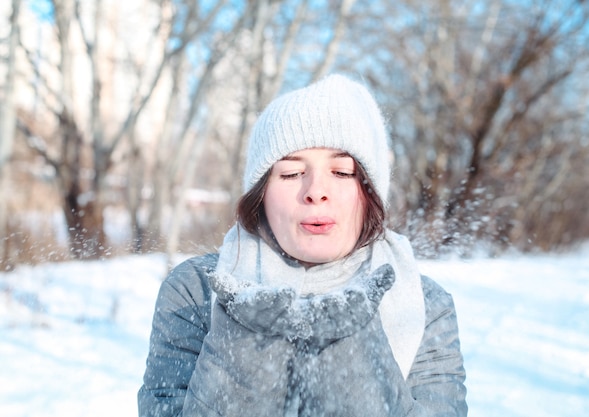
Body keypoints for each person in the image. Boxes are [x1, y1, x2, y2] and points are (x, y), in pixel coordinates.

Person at [138, 74, 468, 417]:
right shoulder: (197, 290)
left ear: (370, 191)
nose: (315, 190)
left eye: (342, 172)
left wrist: (352, 346)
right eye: (292, 173)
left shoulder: (423, 304)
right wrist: (247, 338)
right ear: (260, 195)